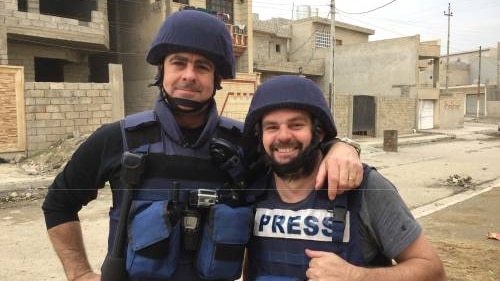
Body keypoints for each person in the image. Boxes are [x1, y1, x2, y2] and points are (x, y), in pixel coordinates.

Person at [41, 10, 363, 281]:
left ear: (216, 78)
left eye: (202, 67)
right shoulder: (120, 138)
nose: (189, 75)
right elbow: (58, 203)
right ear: (162, 70)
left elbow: (296, 150)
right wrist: (80, 274)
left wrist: (341, 147)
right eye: (179, 63)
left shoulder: (245, 143)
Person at [243, 75, 447, 281]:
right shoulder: (250, 187)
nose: (283, 136)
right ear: (261, 135)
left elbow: (434, 272)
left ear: (319, 132)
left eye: (296, 125)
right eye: (272, 127)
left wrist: (356, 276)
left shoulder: (366, 188)